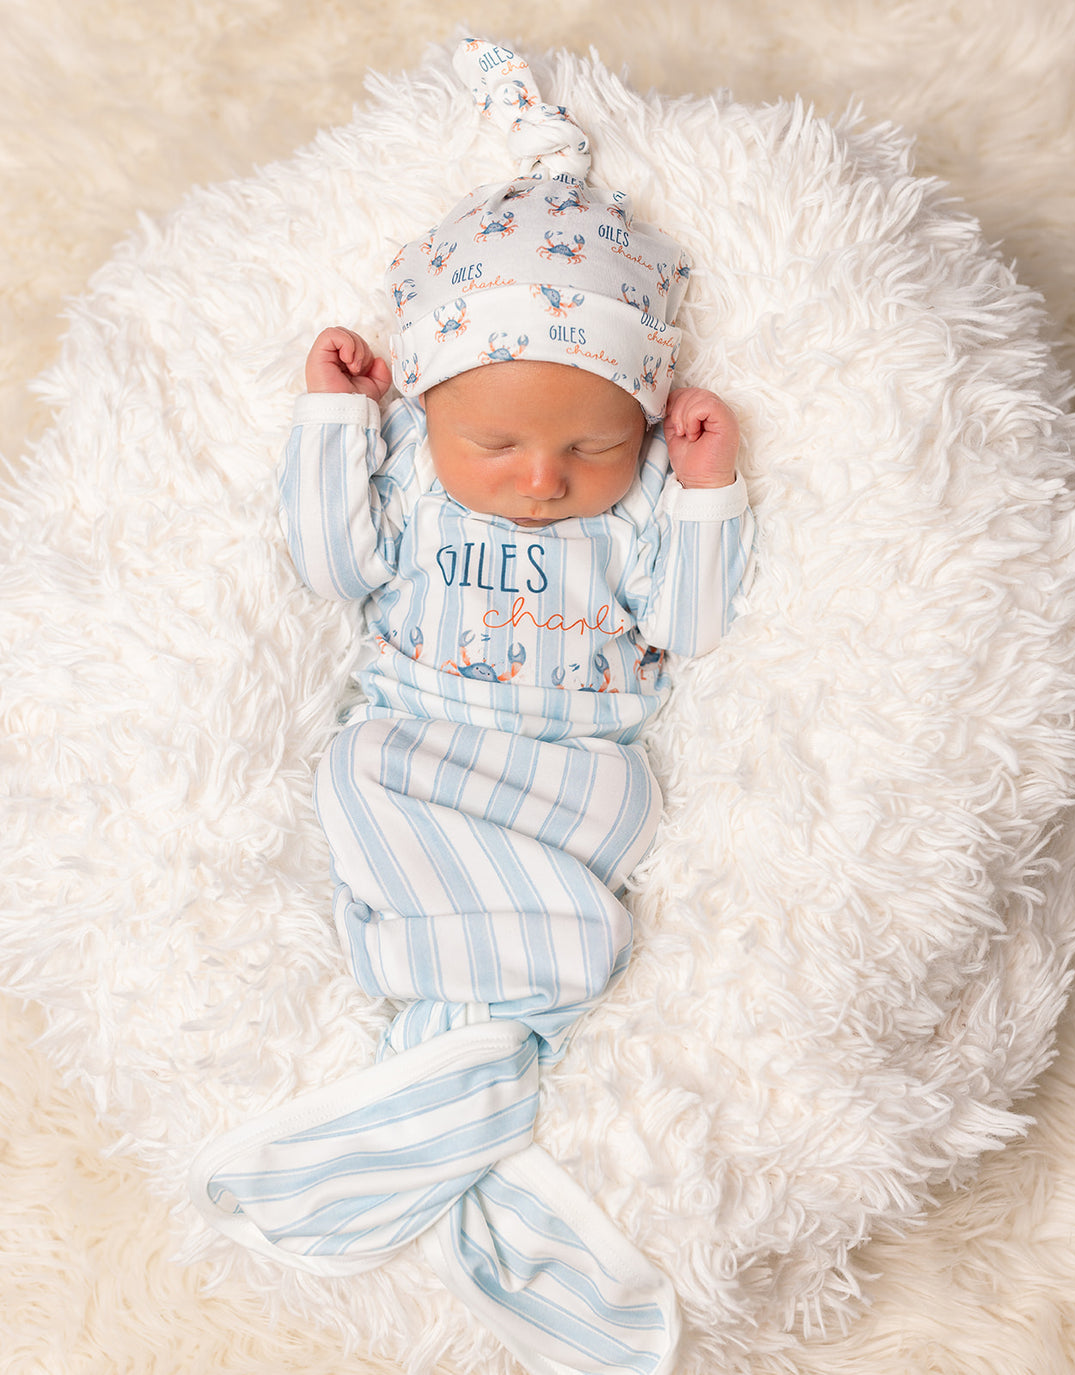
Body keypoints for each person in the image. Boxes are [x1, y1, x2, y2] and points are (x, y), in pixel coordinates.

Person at [191, 39, 754, 1375]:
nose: (544, 479)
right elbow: (330, 558)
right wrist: (332, 419)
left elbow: (689, 622)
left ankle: (460, 1073)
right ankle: (474, 1065)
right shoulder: (410, 478)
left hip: (577, 773)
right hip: (420, 743)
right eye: (496, 442)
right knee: (364, 777)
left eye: (590, 447)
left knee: (591, 860)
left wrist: (706, 492)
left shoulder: (631, 516)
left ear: (641, 424)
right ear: (429, 402)